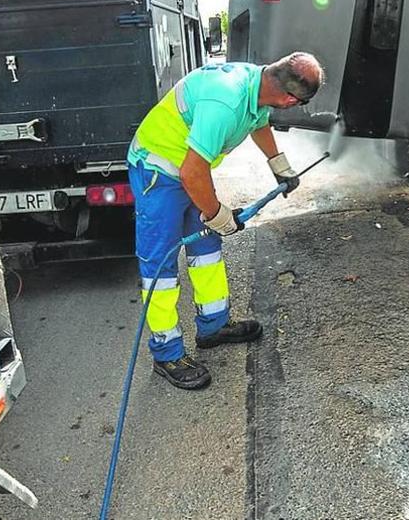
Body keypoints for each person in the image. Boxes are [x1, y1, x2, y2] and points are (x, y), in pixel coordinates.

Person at [127, 52, 324, 389]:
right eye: (299, 102)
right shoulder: (226, 102)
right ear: (289, 98)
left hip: (189, 171)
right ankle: (166, 352)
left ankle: (213, 326)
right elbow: (192, 172)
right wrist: (219, 215)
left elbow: (259, 122)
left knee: (206, 249)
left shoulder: (257, 86)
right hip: (158, 172)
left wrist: (279, 164)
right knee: (160, 265)